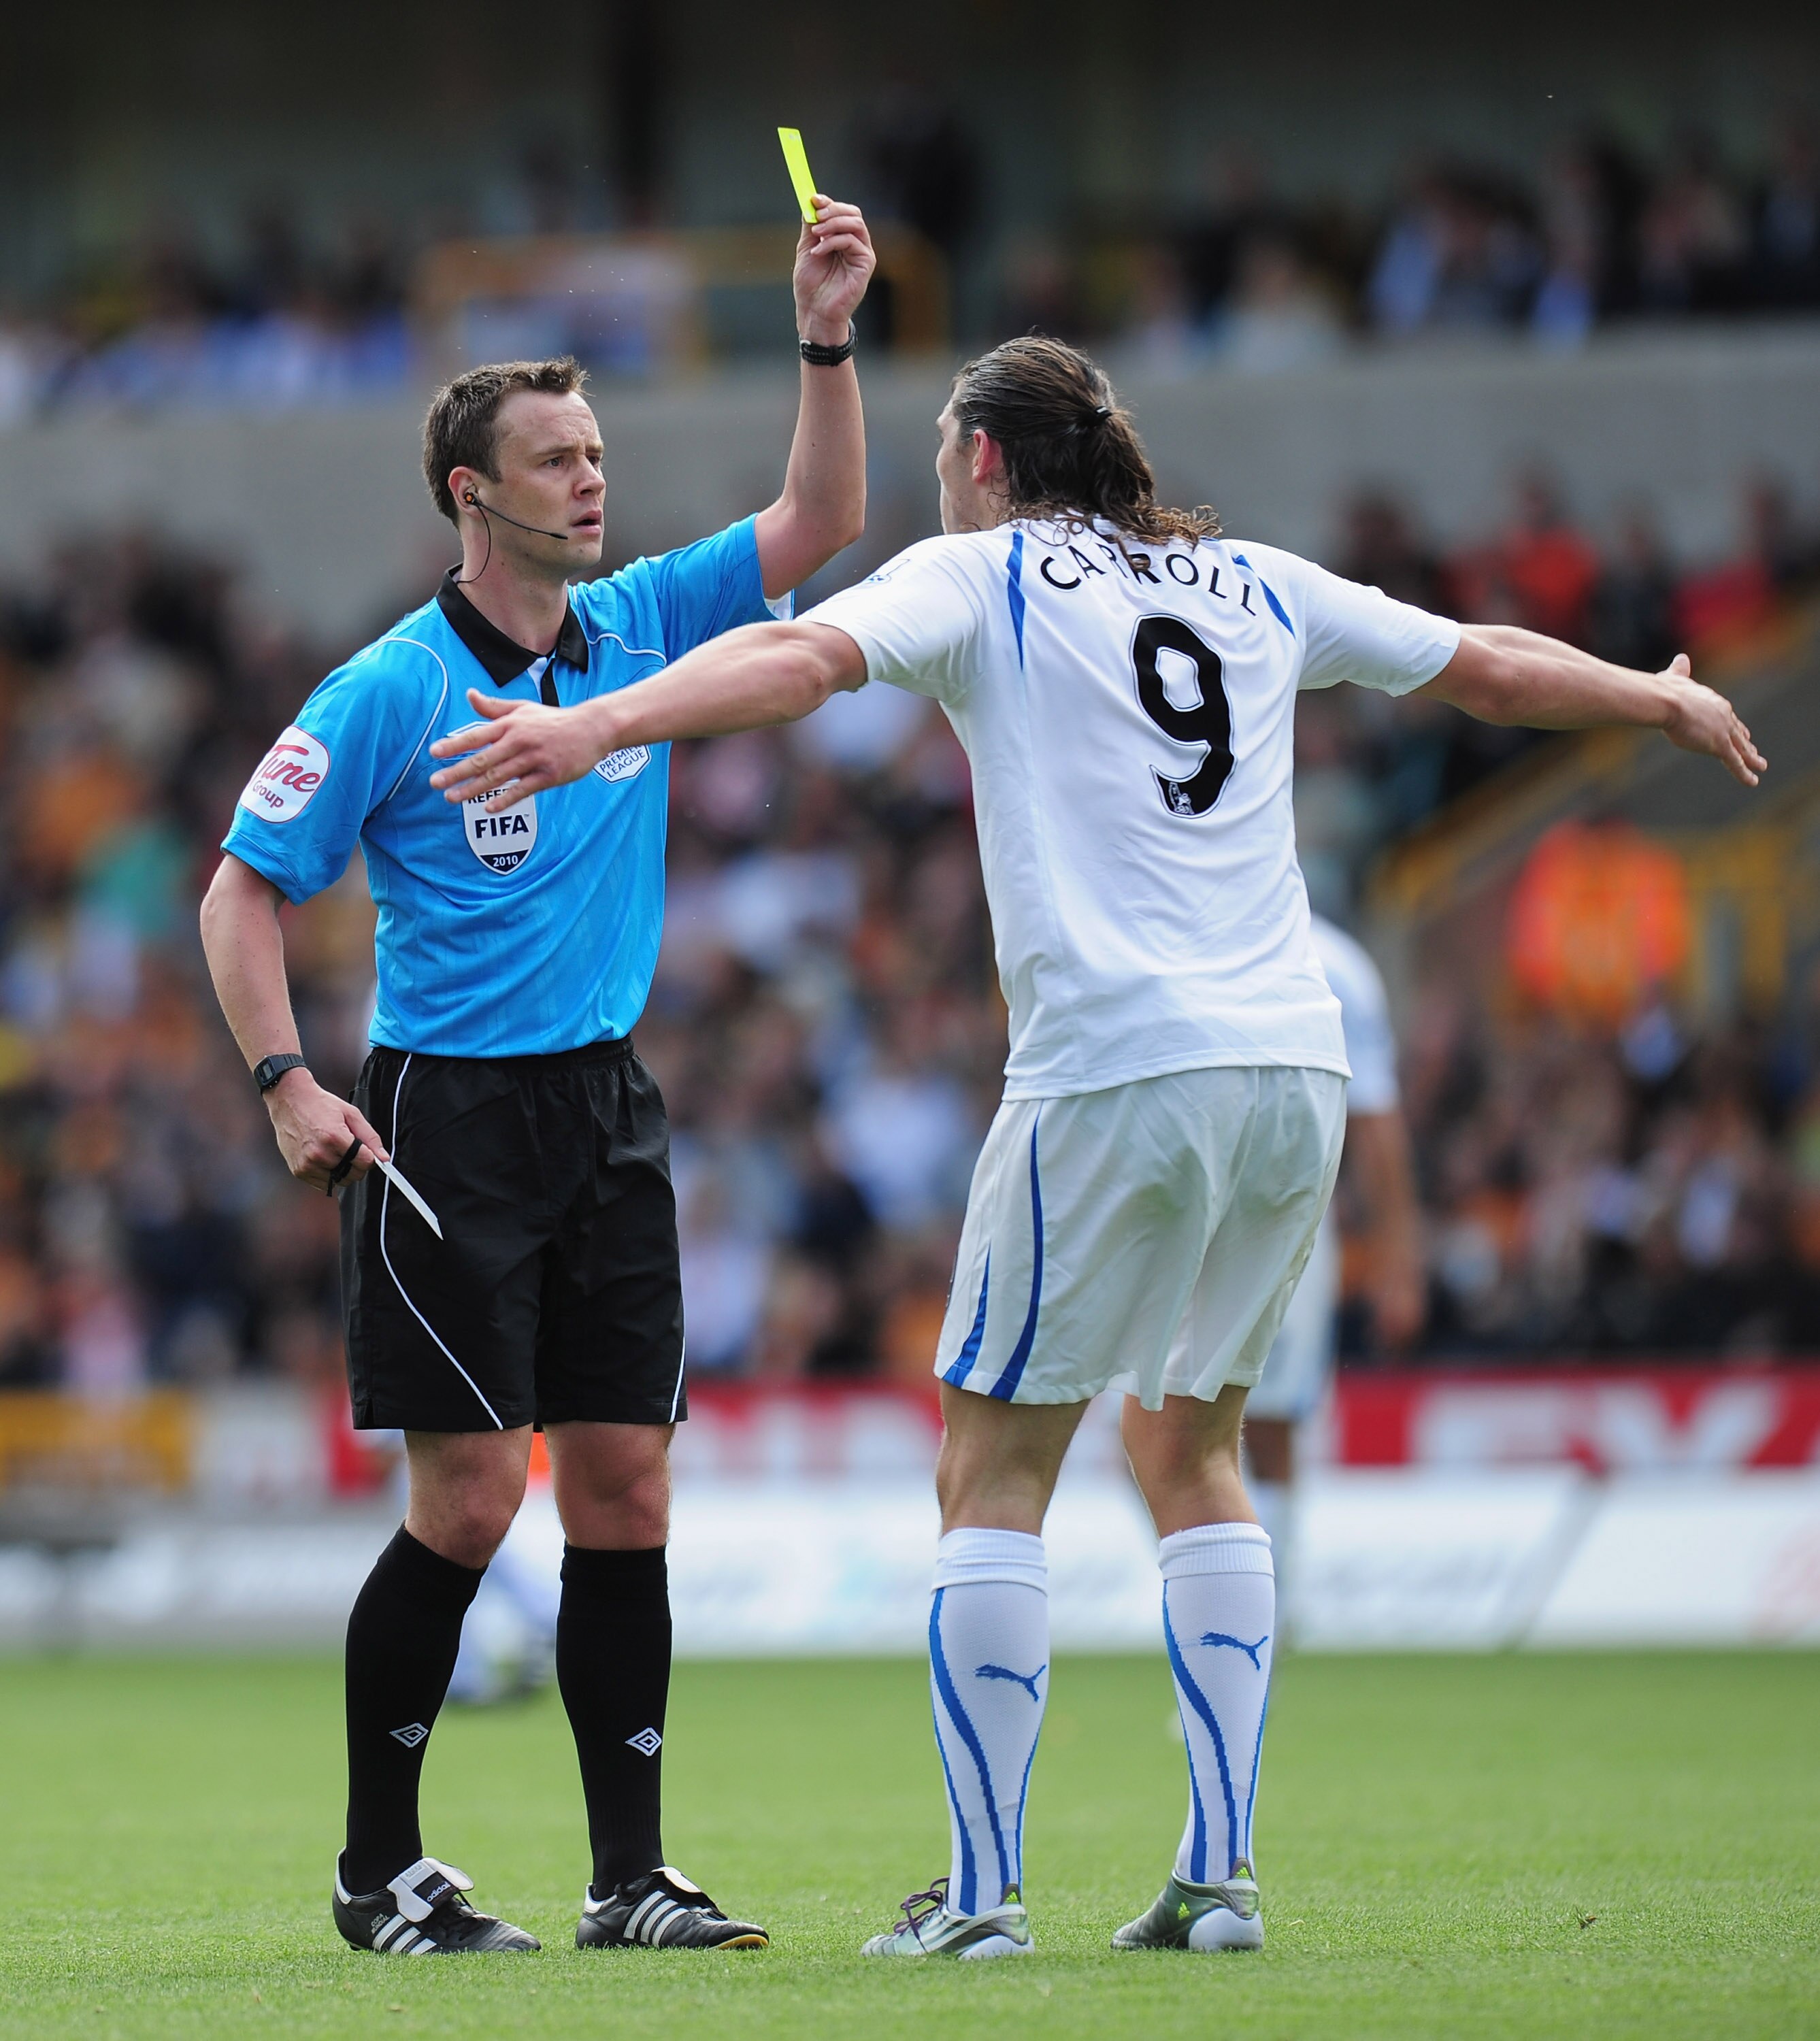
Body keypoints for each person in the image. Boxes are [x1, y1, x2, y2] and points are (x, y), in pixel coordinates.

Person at [426, 335, 1764, 1959]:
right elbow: (1476, 657)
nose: (934, 472)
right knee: (1192, 1445)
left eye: (940, 444)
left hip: (1118, 1067)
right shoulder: (1249, 577)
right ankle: (1219, 1876)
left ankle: (981, 1897)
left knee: (991, 1464)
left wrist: (604, 724)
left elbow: (796, 663)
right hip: (1291, 1063)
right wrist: (1655, 692)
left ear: (988, 459)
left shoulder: (982, 573)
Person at [198, 195, 876, 1957]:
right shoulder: (385, 689)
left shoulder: (642, 620)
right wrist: (285, 1077)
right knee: (473, 1501)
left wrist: (825, 337)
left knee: (627, 1491)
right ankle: (378, 1874)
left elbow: (823, 518)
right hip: (447, 1124)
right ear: (469, 493)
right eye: (557, 459)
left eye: (597, 452)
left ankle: (628, 1876)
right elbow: (239, 889)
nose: (593, 481)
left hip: (604, 1109)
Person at [1244, 915, 1424, 1604]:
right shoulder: (1176, 929)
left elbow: (1376, 1126)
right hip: (1175, 1224)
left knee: (1265, 1429)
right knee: (1141, 1447)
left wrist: (1397, 1261)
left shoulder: (1332, 965)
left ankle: (1263, 1618)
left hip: (1281, 1224)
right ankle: (1238, 1605)